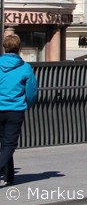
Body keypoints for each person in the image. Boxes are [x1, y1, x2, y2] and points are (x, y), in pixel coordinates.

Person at [0, 35, 38, 187]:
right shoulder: (25, 67)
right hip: (15, 109)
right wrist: (27, 104)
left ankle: (9, 176)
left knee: (5, 143)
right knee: (9, 145)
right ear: (18, 48)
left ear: (4, 47)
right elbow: (31, 92)